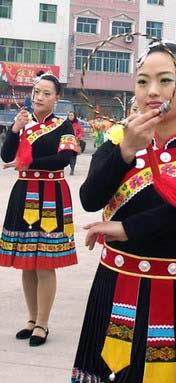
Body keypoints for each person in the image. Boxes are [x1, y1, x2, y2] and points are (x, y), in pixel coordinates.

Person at [71, 42, 176, 383]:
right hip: (113, 286)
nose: (152, 91)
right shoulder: (118, 145)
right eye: (142, 82)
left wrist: (126, 228)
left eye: (165, 80)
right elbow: (89, 197)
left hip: (172, 292)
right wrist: (126, 149)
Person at [0, 72, 78, 347]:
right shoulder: (23, 124)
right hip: (24, 194)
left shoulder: (63, 127)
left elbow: (63, 159)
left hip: (50, 194)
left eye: (46, 93)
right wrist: (13, 130)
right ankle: (31, 319)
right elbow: (7, 157)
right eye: (36, 92)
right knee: (27, 264)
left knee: (45, 264)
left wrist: (28, 165)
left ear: (57, 98)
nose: (39, 97)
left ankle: (43, 323)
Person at [67, 111, 84, 175]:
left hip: (75, 142)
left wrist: (78, 137)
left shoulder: (77, 124)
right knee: (66, 155)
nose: (70, 117)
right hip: (67, 142)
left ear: (74, 116)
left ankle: (72, 169)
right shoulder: (65, 123)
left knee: (73, 156)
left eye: (72, 115)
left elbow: (81, 132)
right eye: (69, 115)